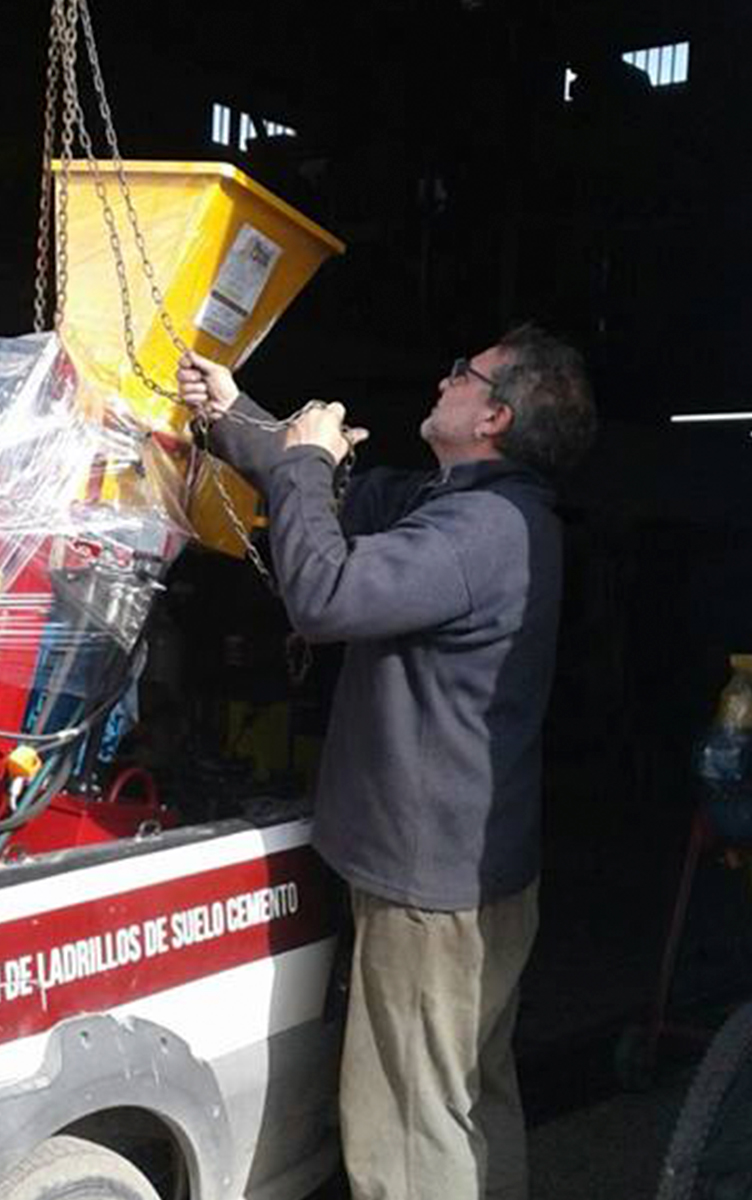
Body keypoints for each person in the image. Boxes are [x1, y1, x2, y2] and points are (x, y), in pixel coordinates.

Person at [178, 326, 596, 1200]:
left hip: (428, 897)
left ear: (495, 416)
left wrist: (302, 464)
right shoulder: (472, 504)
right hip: (469, 876)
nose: (445, 379)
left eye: (465, 374)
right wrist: (233, 415)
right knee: (465, 1100)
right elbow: (342, 491)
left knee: (406, 1132)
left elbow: (326, 596)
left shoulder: (479, 532)